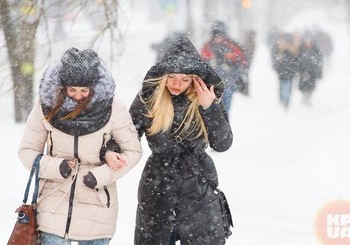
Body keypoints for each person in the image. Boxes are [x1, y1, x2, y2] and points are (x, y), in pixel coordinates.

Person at [18, 47, 143, 244]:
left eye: (84, 90)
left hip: (98, 205)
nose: (78, 96)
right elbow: (27, 151)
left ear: (94, 87)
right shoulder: (46, 107)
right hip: (53, 203)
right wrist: (56, 167)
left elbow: (133, 151)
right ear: (63, 86)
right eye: (72, 90)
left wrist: (99, 175)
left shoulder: (113, 107)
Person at [126, 36, 233, 244]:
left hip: (198, 190)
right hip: (157, 188)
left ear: (195, 79)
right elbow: (128, 138)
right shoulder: (148, 99)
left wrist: (209, 108)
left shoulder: (206, 100)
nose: (177, 84)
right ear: (163, 75)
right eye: (172, 77)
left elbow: (222, 144)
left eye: (185, 79)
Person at [201, 21, 247, 115]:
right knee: (213, 111)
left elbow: (241, 61)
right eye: (216, 35)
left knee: (225, 109)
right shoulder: (208, 46)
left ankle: (223, 126)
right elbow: (202, 61)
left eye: (220, 35)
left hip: (228, 83)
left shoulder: (231, 45)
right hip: (212, 85)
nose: (218, 38)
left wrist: (229, 62)